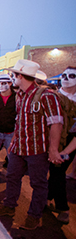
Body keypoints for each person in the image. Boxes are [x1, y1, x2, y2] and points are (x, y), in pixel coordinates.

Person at [0, 60, 63, 230]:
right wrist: (14, 140)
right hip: (19, 147)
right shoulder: (21, 95)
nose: (12, 79)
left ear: (20, 76)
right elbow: (20, 121)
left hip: (37, 149)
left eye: (13, 75)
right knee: (12, 177)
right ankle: (9, 206)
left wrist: (53, 149)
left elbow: (56, 123)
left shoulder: (46, 96)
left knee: (38, 183)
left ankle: (34, 216)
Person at [48, 66, 76, 223]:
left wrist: (64, 151)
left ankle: (62, 207)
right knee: (55, 172)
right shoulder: (52, 96)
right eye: (64, 75)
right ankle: (49, 199)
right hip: (50, 142)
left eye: (72, 75)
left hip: (69, 144)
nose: (66, 78)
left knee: (57, 172)